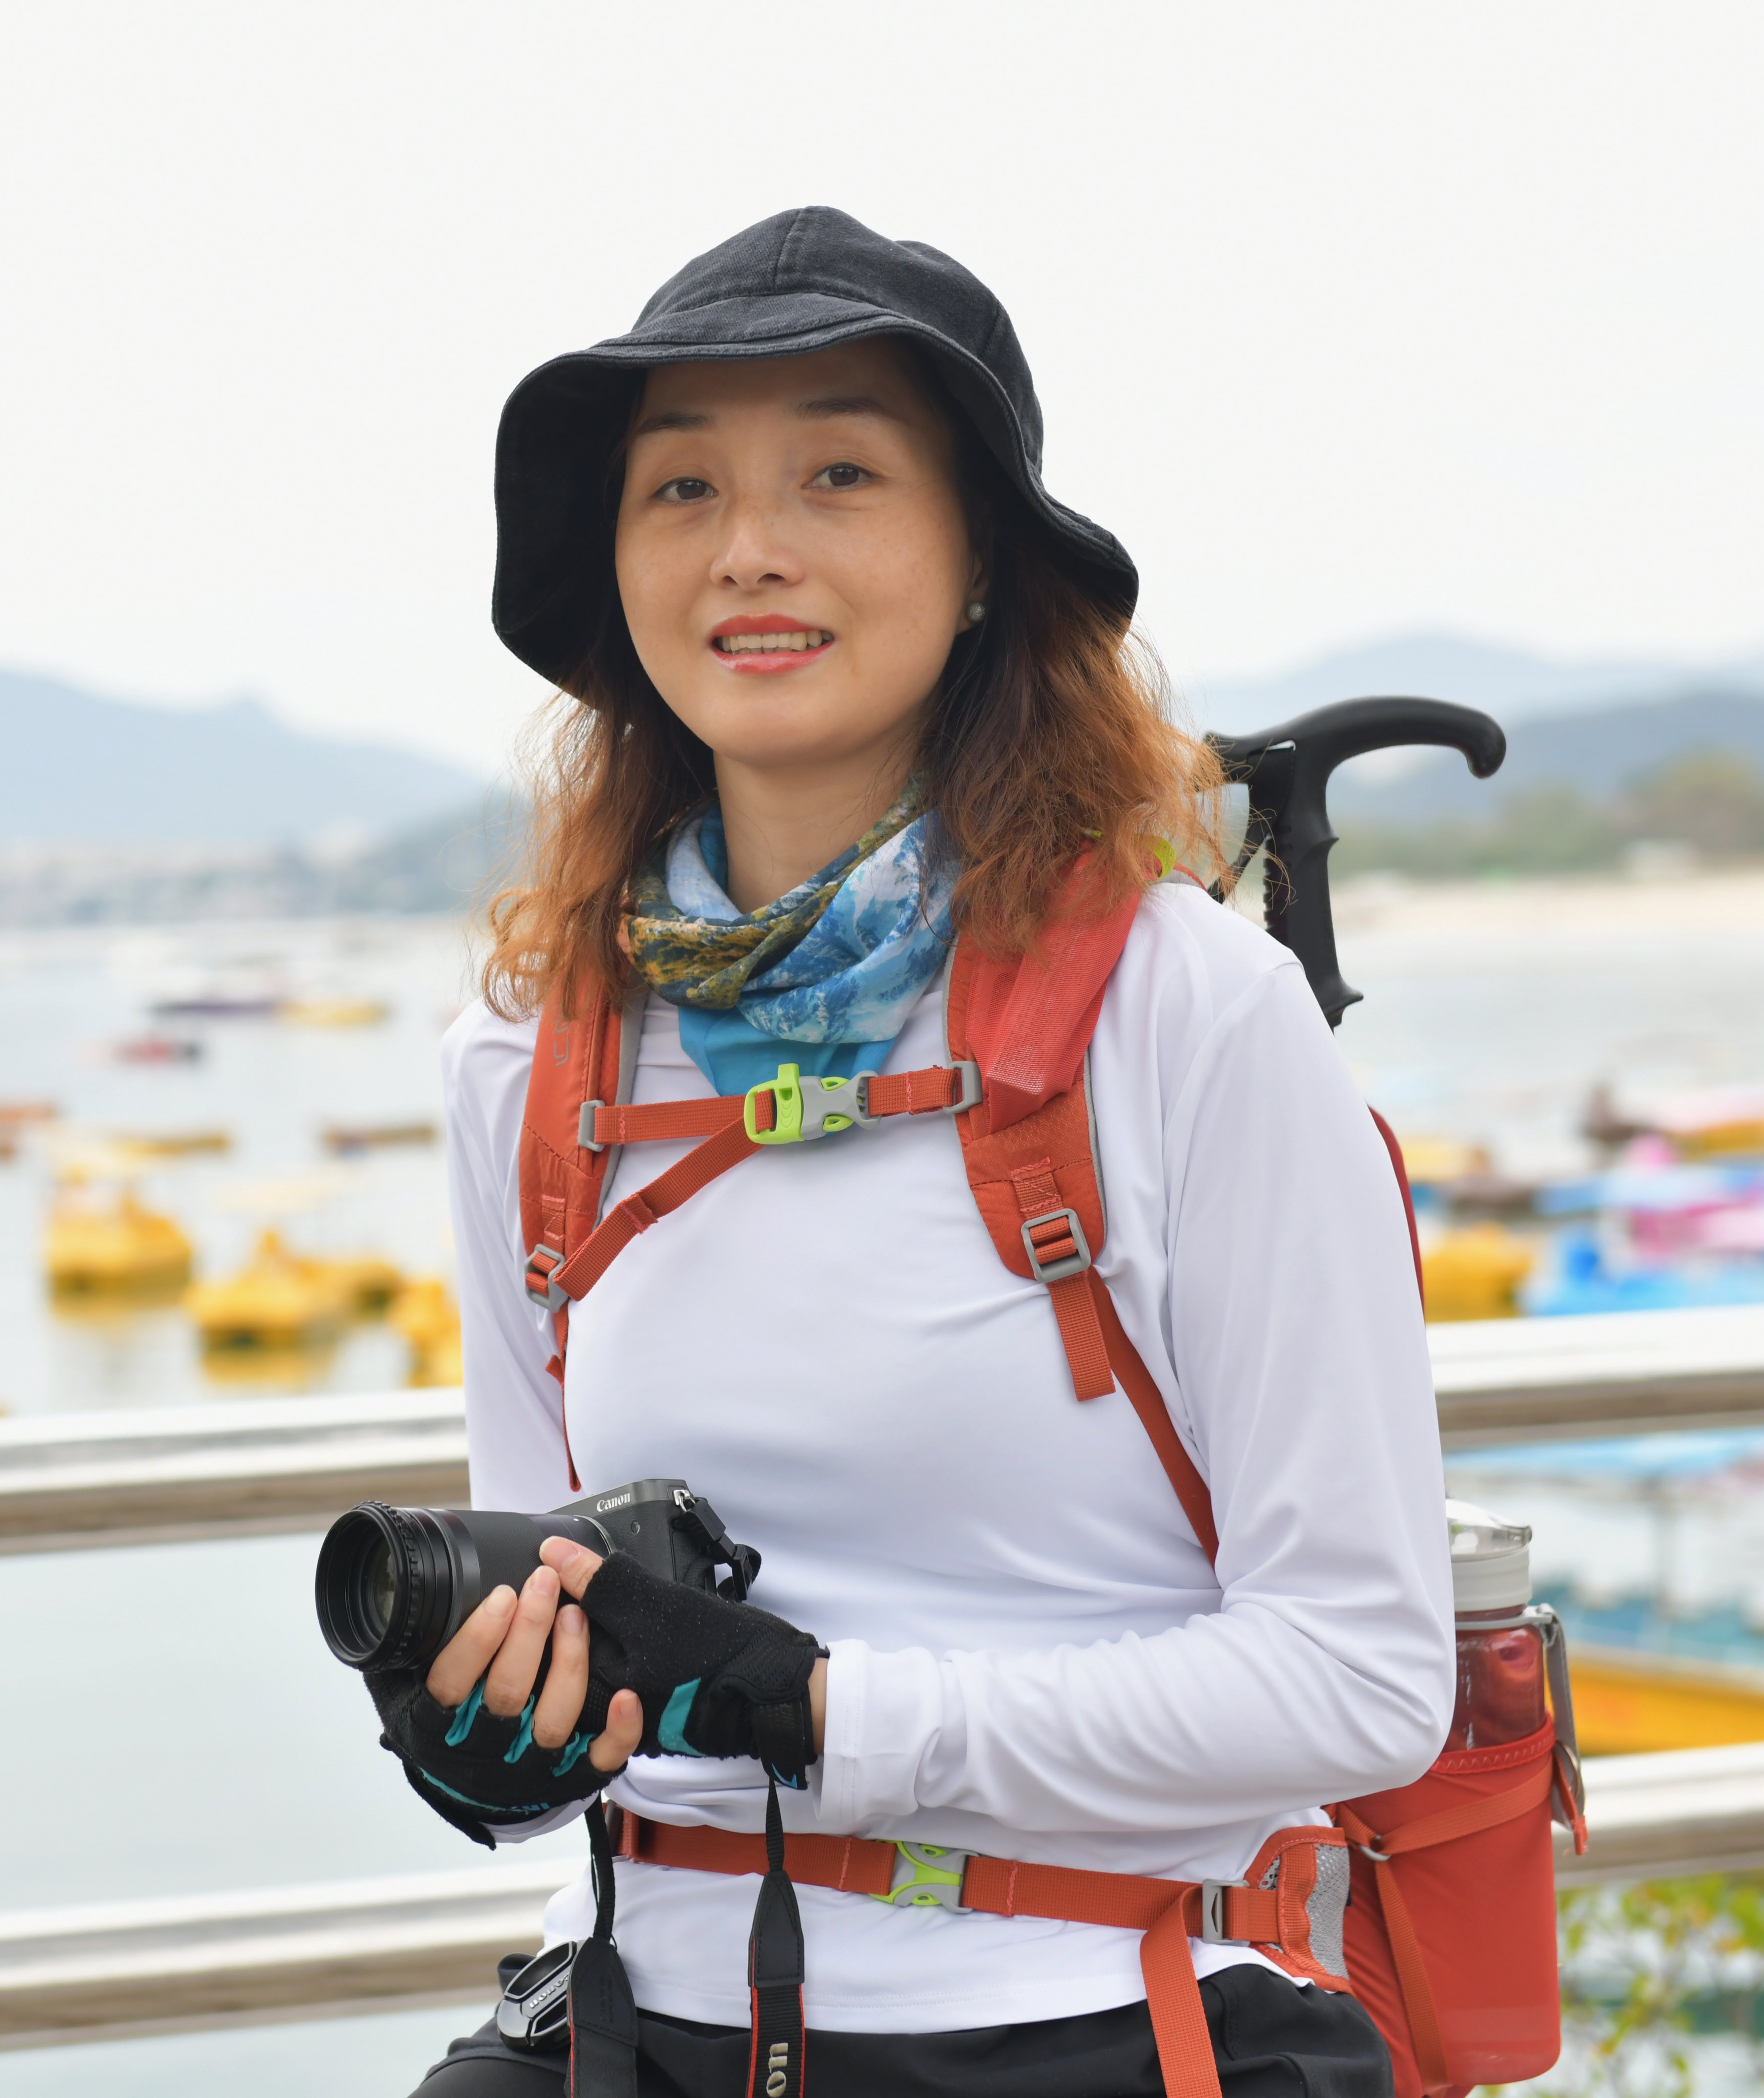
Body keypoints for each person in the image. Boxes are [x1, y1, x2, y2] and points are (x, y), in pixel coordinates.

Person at [389, 208, 1453, 2096]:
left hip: (1107, 2013)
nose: (749, 546)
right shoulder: (527, 1063)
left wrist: (827, 1714)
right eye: (682, 487)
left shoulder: (1186, 1011)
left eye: (842, 474)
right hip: (639, 2018)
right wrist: (491, 1732)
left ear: (980, 565)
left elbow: (1363, 1675)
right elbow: (554, 1626)